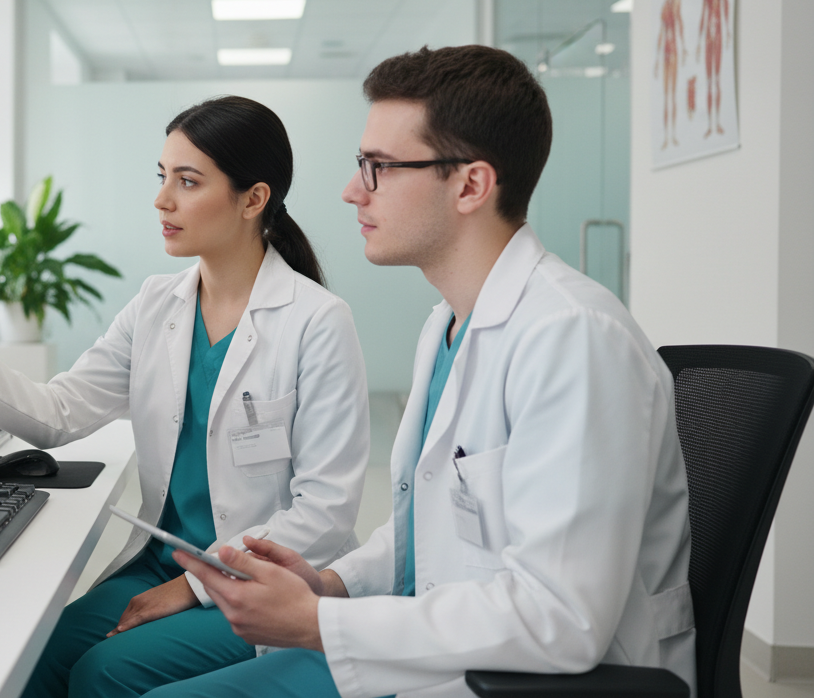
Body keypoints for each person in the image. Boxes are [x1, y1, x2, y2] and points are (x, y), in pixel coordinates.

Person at [159, 46, 695, 698]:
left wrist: (322, 622)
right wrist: (328, 584)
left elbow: (562, 618)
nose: (352, 190)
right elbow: (428, 534)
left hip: (528, 680)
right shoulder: (447, 323)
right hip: (435, 651)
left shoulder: (574, 339)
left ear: (470, 185)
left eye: (379, 168)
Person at [0, 95, 372, 698]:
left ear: (253, 199)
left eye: (188, 182)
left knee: (103, 672)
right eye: (163, 178)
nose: (162, 200)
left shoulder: (317, 320)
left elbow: (326, 507)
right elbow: (60, 413)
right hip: (163, 561)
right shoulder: (156, 304)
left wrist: (193, 587)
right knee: (34, 660)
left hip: (266, 581)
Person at [696, 0, 731, 138]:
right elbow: (703, 11)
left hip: (717, 30)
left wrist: (726, 30)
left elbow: (725, 1)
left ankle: (717, 122)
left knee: (716, 79)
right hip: (708, 34)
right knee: (709, 80)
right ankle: (710, 124)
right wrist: (700, 40)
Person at [654, 0, 686, 149]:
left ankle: (673, 134)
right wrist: (657, 61)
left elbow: (679, 23)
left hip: (674, 51)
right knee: (666, 96)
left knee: (672, 95)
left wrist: (684, 48)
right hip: (666, 52)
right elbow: (661, 32)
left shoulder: (676, 1)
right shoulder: (665, 5)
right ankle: (667, 136)